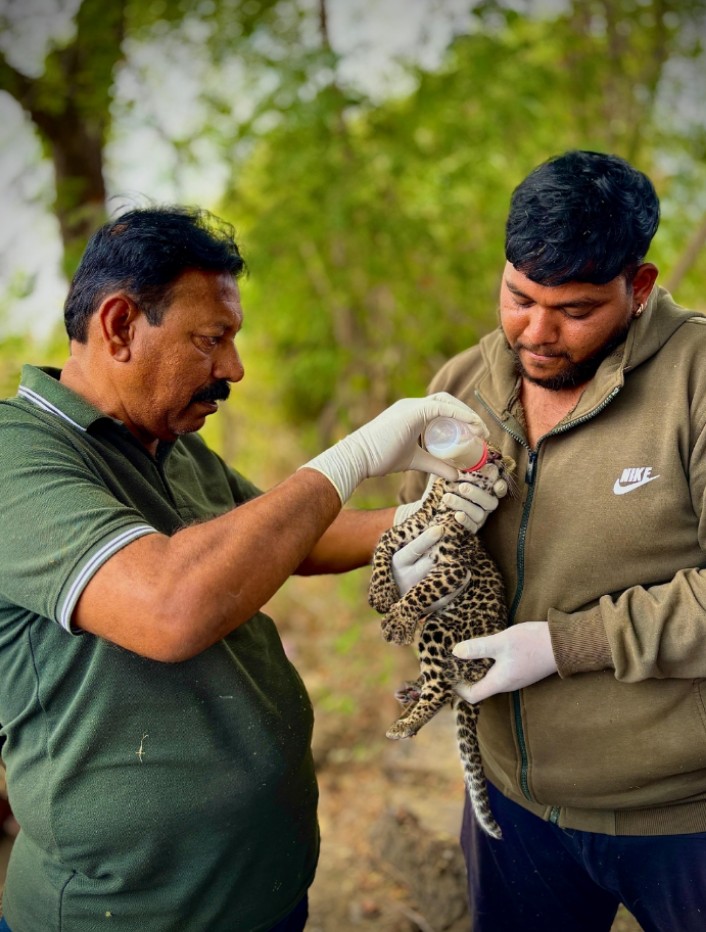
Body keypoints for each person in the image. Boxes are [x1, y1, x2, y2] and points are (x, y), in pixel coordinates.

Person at [0, 206, 505, 932]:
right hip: (128, 913)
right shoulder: (17, 454)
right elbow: (169, 606)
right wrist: (354, 456)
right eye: (211, 340)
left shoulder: (171, 444)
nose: (233, 369)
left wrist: (426, 515)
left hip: (262, 890)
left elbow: (286, 539)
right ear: (119, 326)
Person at [399, 149, 706, 932]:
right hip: (512, 805)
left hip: (682, 814)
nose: (536, 333)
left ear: (640, 287)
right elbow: (420, 521)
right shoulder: (462, 385)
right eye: (519, 297)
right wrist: (413, 555)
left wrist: (566, 645)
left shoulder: (696, 379)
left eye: (574, 310)